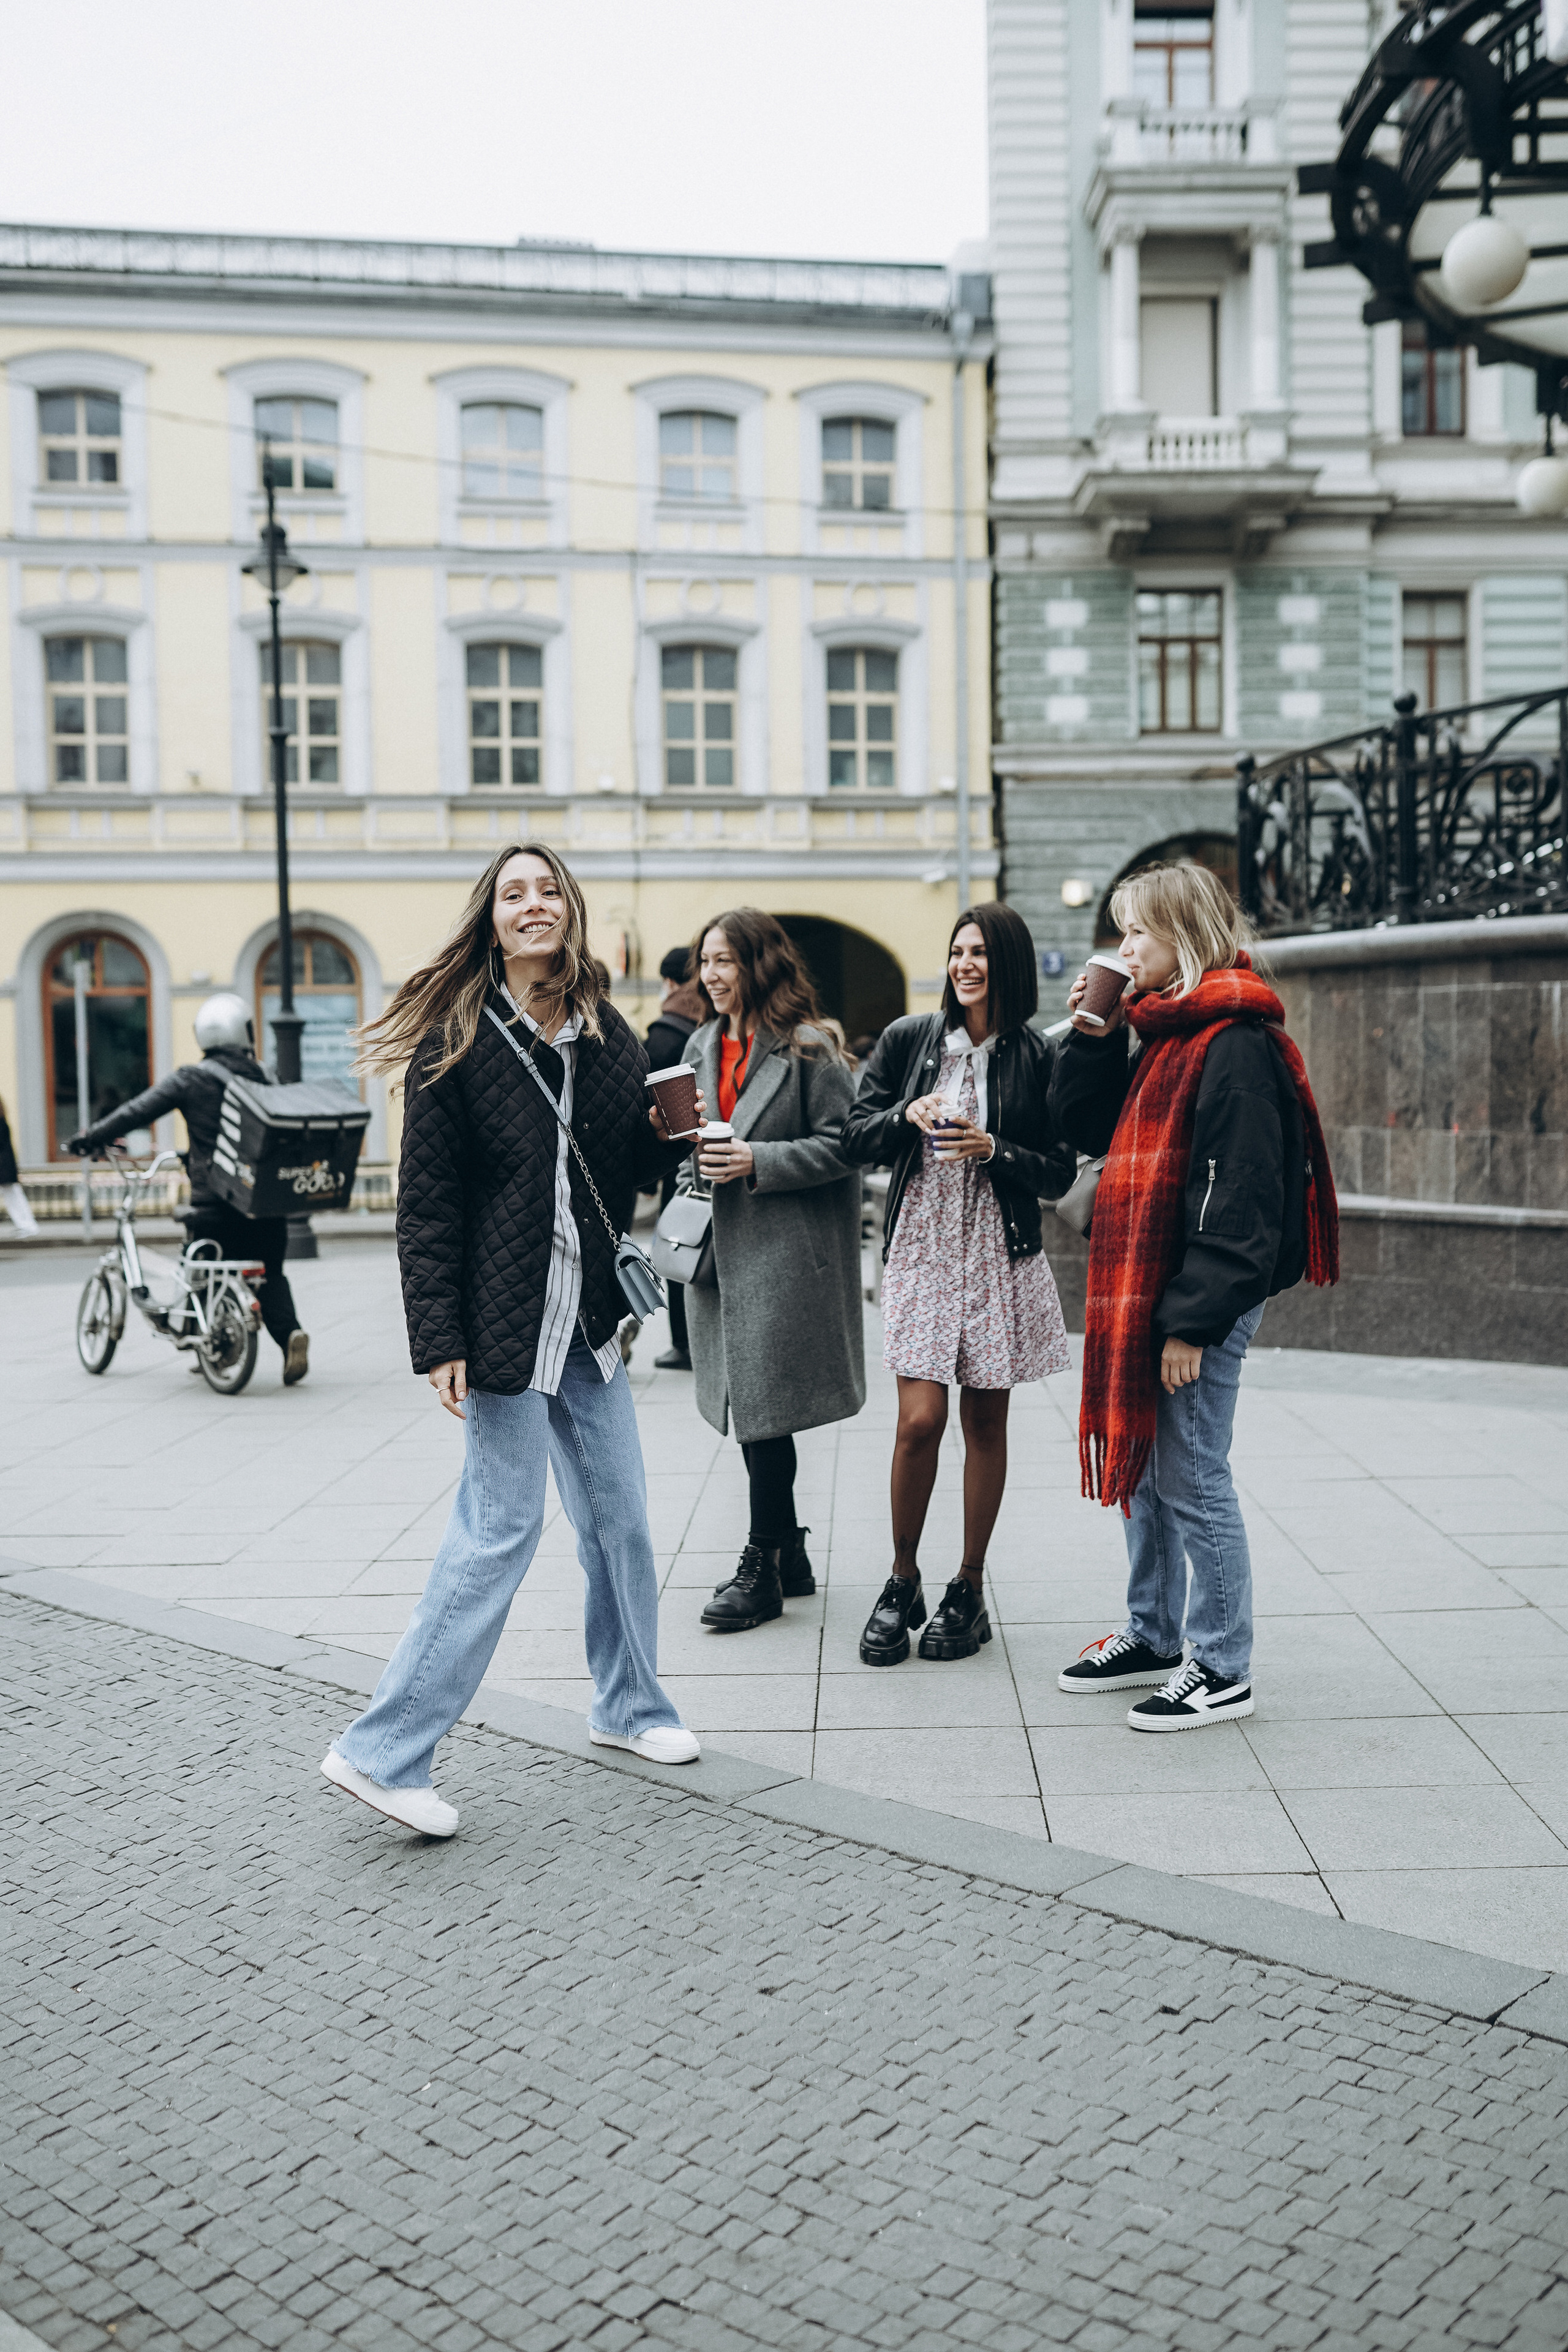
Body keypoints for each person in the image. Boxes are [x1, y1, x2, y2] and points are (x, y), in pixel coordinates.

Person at [321, 842, 701, 1840]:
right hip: (502, 1324)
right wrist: (436, 1335)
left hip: (586, 1324)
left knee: (620, 1514)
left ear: (570, 909)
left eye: (548, 891)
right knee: (501, 1530)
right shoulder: (457, 1038)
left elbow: (624, 1165)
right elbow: (428, 1203)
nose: (534, 905)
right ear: (492, 918)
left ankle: (630, 1706)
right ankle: (383, 1751)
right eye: (514, 894)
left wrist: (678, 1135)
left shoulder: (607, 1035)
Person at [1050, 864, 1338, 1732]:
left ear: (1186, 934)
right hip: (1157, 1289)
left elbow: (1243, 1198)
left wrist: (1194, 1321)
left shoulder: (1236, 1039)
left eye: (1137, 931)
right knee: (1146, 1466)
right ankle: (1152, 1631)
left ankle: (1221, 1663)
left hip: (1197, 1294)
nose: (1123, 947)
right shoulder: (1158, 1030)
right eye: (1122, 932)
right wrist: (1094, 1036)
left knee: (1191, 1472)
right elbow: (1081, 1129)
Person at [840, 903, 1076, 1666]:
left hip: (996, 1252)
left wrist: (994, 1147)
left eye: (979, 953)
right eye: (957, 951)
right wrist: (906, 1115)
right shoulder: (913, 1041)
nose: (965, 964)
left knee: (984, 1424)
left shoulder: (1037, 1056)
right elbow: (854, 1136)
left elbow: (1059, 1169)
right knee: (918, 1421)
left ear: (1006, 964)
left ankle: (968, 1586)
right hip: (921, 1247)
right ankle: (901, 1577)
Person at [683, 908, 864, 1632]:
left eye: (724, 961)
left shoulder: (808, 1048)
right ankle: (788, 1553)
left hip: (785, 1256)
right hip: (717, 1255)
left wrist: (762, 1160)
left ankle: (762, 1562)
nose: (711, 975)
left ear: (759, 964)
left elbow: (848, 1144)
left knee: (761, 1414)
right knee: (754, 1412)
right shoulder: (700, 1043)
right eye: (704, 963)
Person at [66, 993, 308, 1384]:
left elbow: (137, 1111)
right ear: (244, 1031)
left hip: (215, 1204)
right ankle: (289, 1334)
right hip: (264, 1202)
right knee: (271, 1274)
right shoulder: (265, 1075)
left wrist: (88, 1138)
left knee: (201, 1264)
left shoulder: (191, 1079)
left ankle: (203, 1342)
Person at [645, 946, 708, 1370]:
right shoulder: (713, 1025)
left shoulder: (664, 1034)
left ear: (669, 983)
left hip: (678, 1158)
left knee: (683, 1242)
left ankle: (685, 1344)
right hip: (720, 1150)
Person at [0, 1096, 39, 1236]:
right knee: (14, 1197)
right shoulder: (3, 1122)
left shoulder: (1, 1124)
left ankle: (28, 1225)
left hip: (4, 1168)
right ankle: (26, 1224)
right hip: (6, 1168)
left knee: (14, 1197)